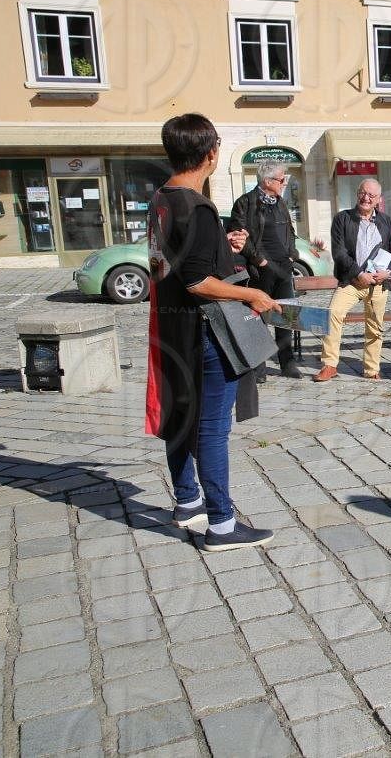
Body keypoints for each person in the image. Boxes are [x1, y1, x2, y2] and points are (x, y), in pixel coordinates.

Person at [145, 113, 277, 551]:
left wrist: (225, 246)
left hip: (172, 327)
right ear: (211, 153)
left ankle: (187, 501)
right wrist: (251, 295)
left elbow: (175, 262)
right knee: (211, 429)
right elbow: (198, 281)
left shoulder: (162, 198)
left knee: (179, 416)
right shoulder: (197, 207)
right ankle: (221, 524)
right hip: (204, 331)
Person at [313, 179, 391, 382]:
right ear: (357, 194)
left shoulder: (386, 221)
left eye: (371, 195)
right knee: (332, 313)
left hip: (378, 283)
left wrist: (388, 273)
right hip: (351, 281)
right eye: (363, 193)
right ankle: (329, 365)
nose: (366, 198)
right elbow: (340, 253)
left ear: (378, 199)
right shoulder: (342, 219)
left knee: (374, 326)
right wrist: (358, 274)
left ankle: (372, 370)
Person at [229, 160, 303, 379]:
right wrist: (259, 260)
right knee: (258, 317)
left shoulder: (280, 202)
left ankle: (287, 364)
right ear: (268, 180)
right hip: (261, 270)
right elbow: (239, 235)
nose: (284, 183)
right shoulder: (245, 203)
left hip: (284, 268)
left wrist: (292, 255)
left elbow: (289, 231)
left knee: (285, 315)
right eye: (281, 179)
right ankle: (258, 367)